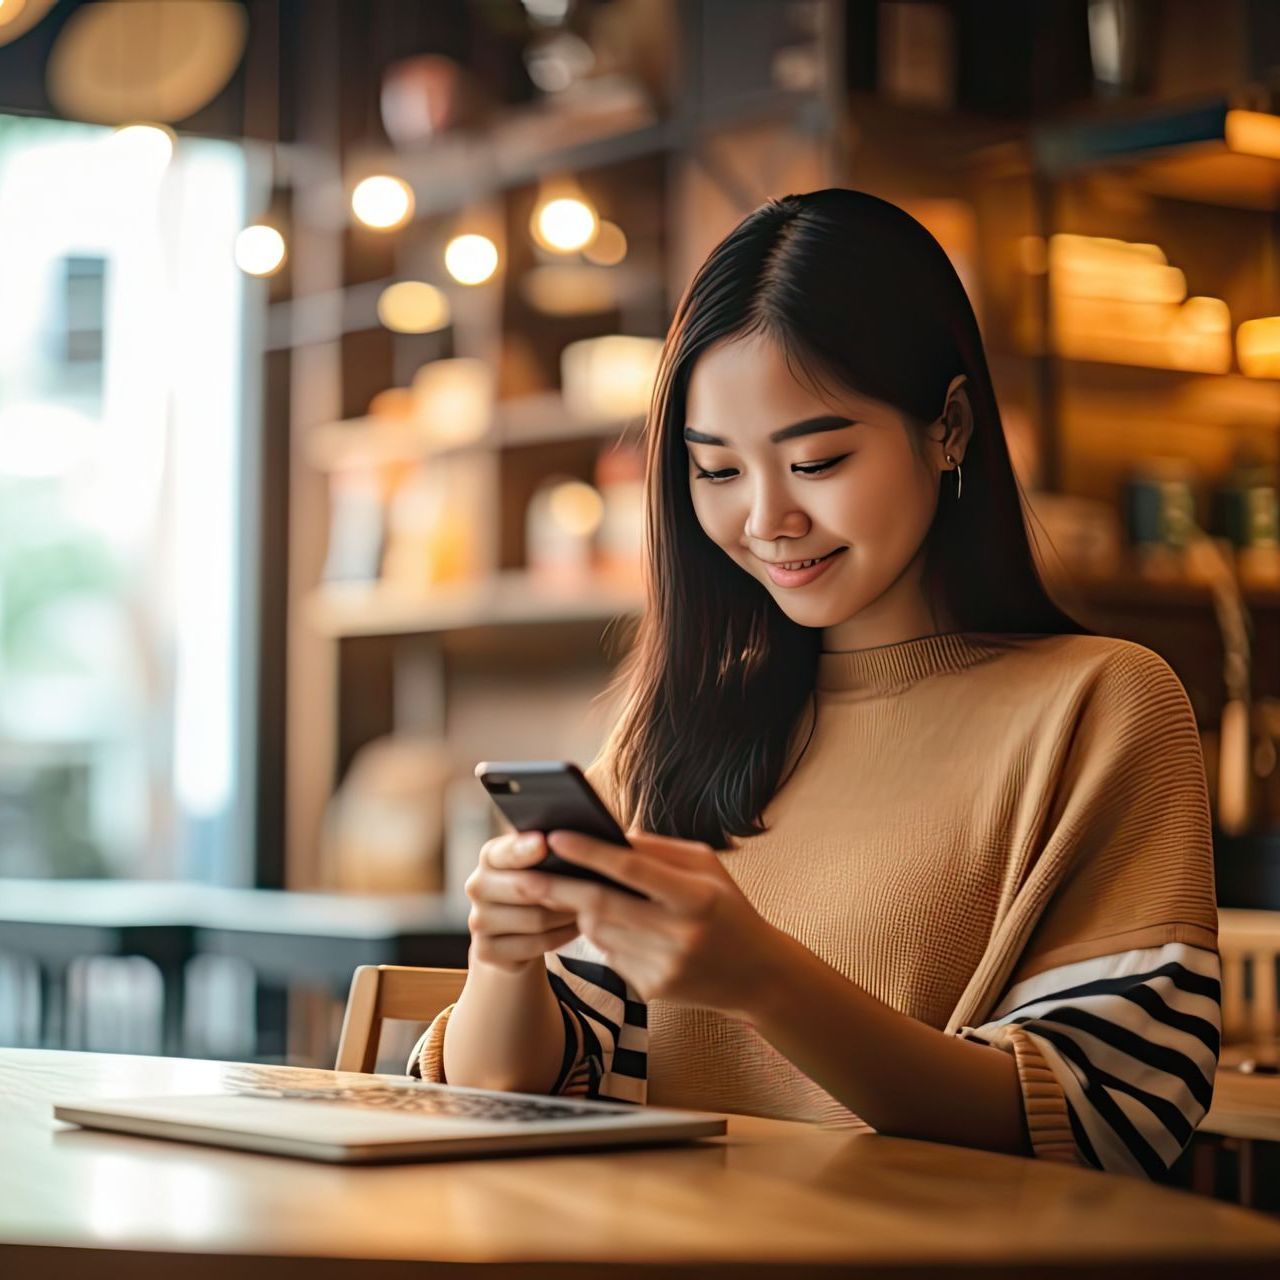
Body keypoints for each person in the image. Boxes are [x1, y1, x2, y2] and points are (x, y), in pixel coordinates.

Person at [407, 188, 1221, 1181]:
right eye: (715, 471)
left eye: (816, 459)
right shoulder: (677, 724)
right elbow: (523, 1097)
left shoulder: (1099, 703)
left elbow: (1114, 1113)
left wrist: (761, 978)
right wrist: (504, 957)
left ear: (948, 426)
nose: (766, 517)